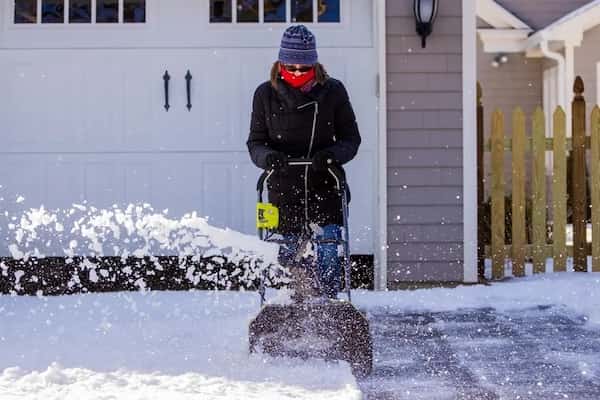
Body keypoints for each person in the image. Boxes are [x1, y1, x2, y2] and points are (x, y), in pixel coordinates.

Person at [247, 25, 361, 299]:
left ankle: (330, 304)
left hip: (324, 183)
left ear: (315, 64)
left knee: (328, 248)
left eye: (304, 68)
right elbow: (255, 143)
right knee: (287, 254)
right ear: (280, 63)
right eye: (291, 67)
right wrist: (269, 158)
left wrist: (332, 155)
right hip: (284, 188)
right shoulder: (265, 94)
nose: (297, 72)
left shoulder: (333, 91)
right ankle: (289, 305)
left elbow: (351, 139)